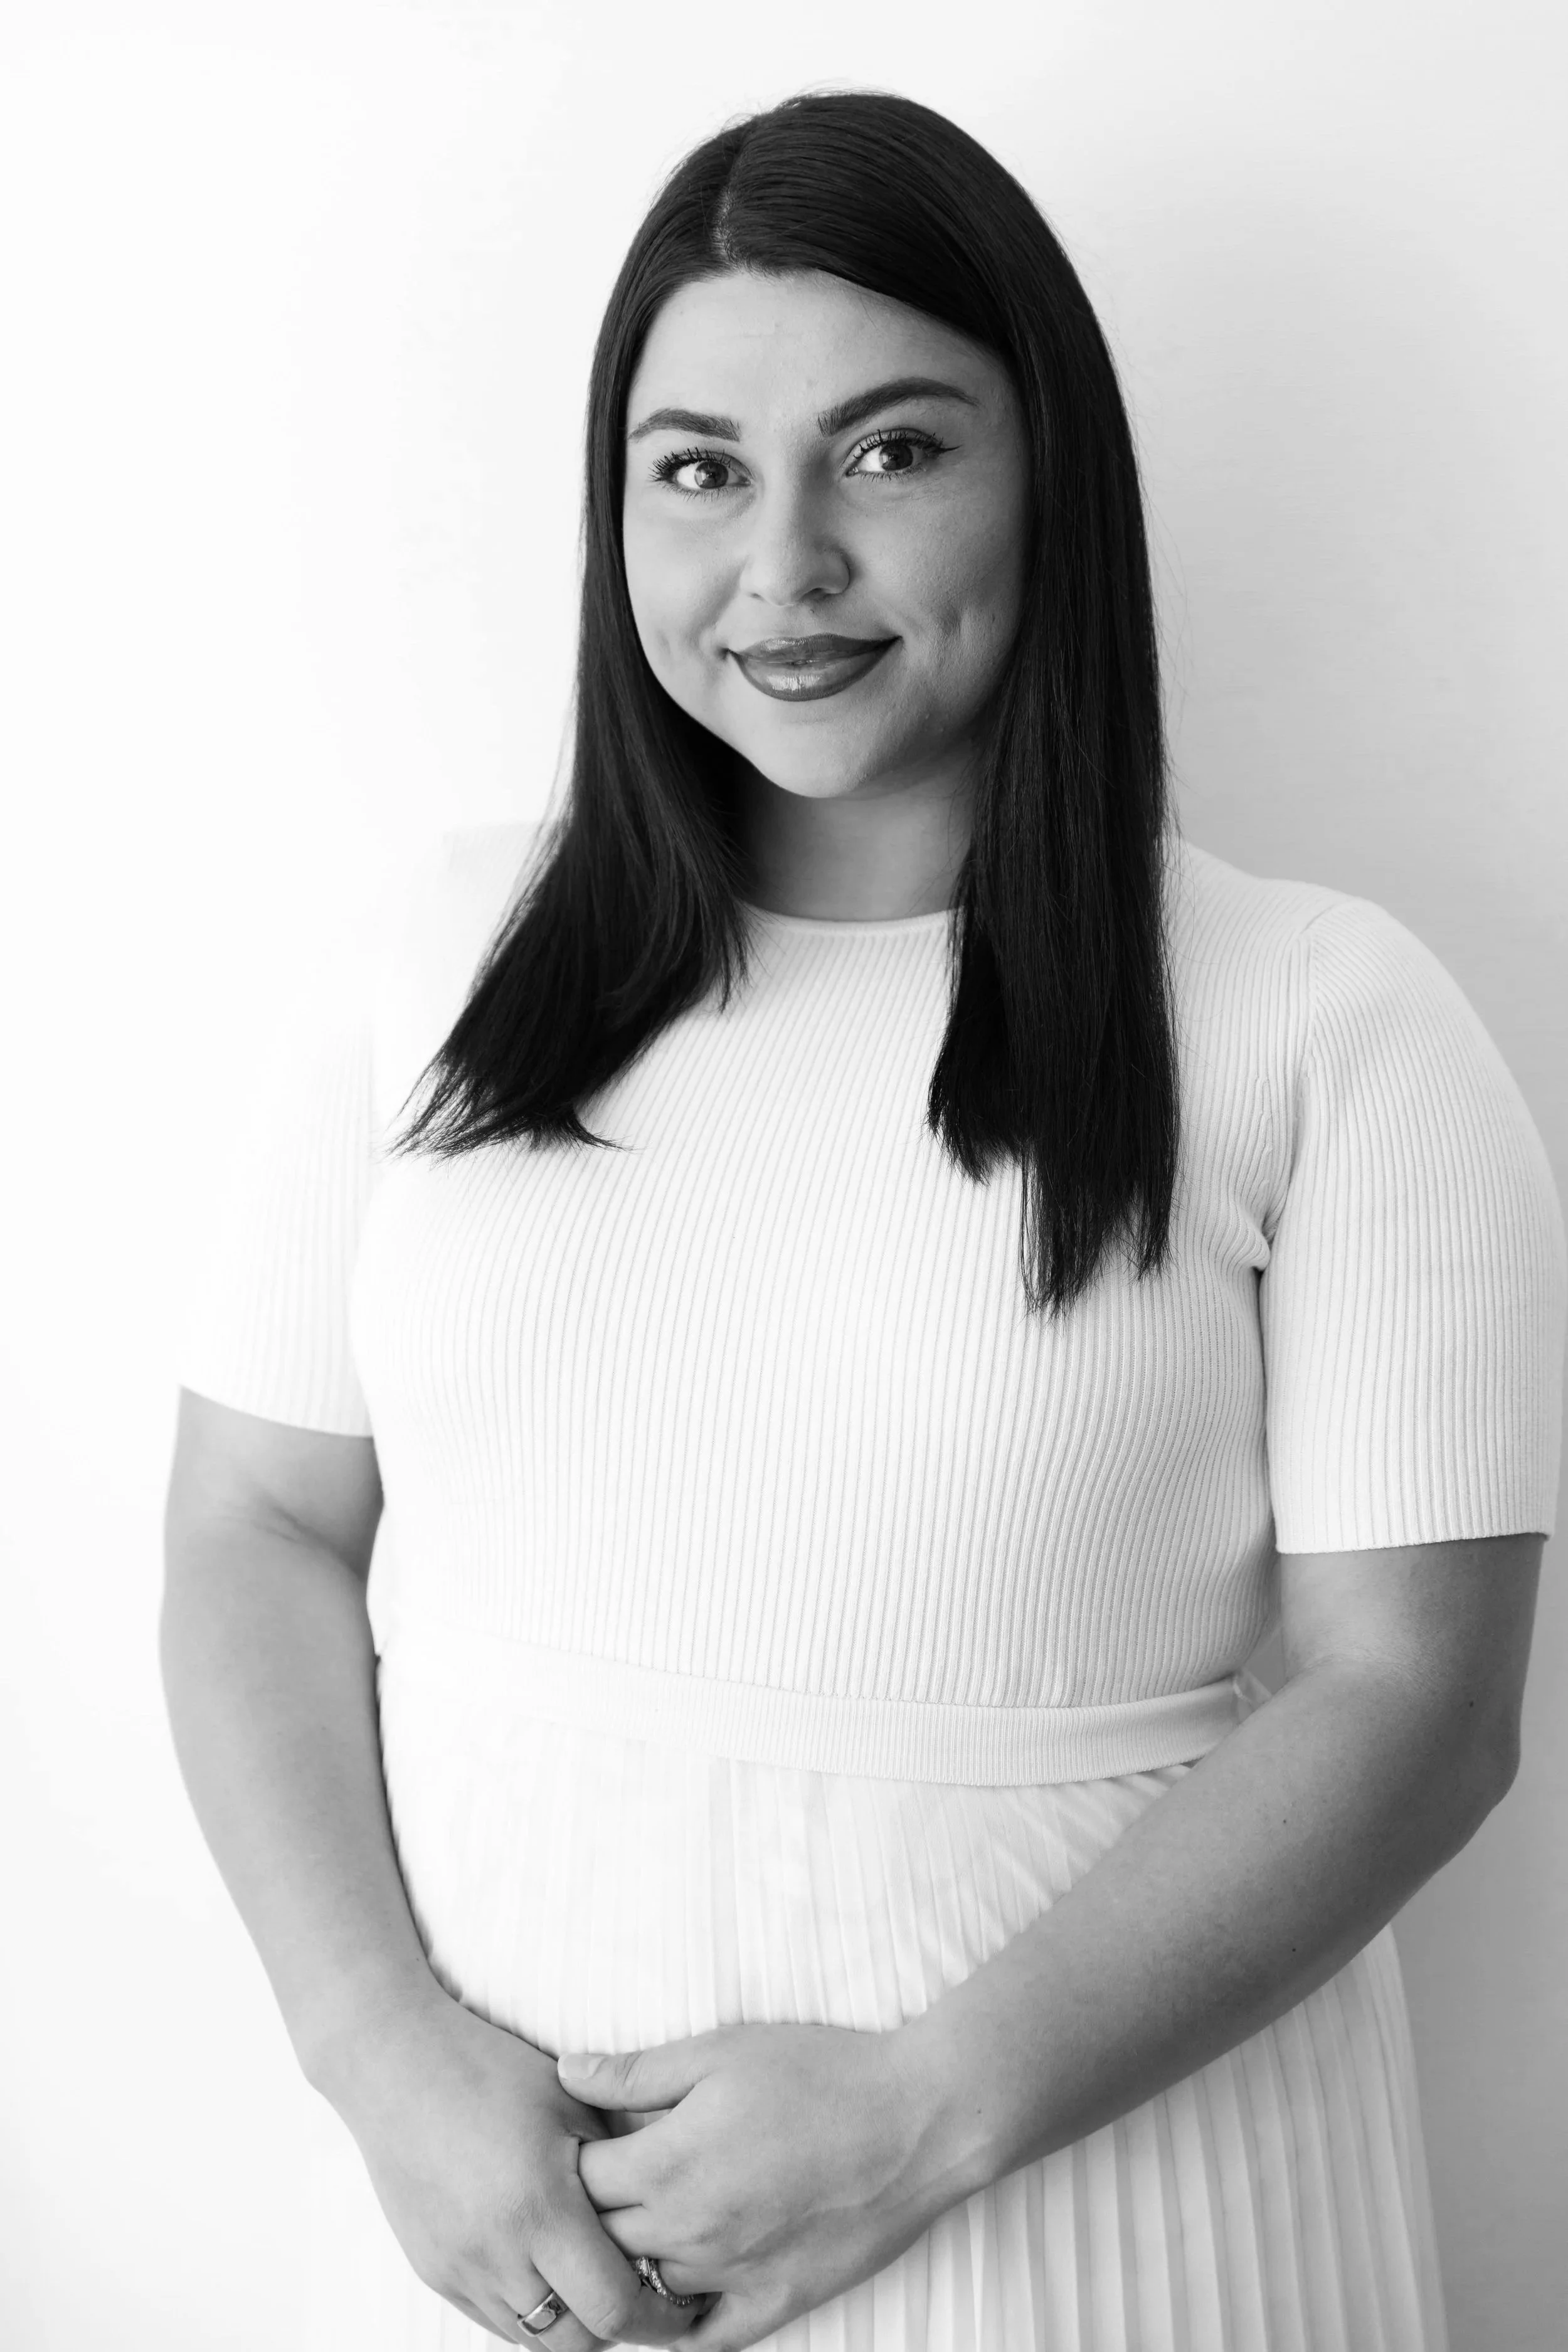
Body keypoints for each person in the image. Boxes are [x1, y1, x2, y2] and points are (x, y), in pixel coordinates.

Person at [161, 87, 1565, 2352]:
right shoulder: (427, 967)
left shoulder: (1327, 1019)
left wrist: (931, 2109)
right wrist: (375, 2053)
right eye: (697, 465)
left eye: (894, 451)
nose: (782, 563)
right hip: (503, 2248)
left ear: (1051, 483)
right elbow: (251, 1521)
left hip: (1116, 2231)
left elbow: (1416, 1700)